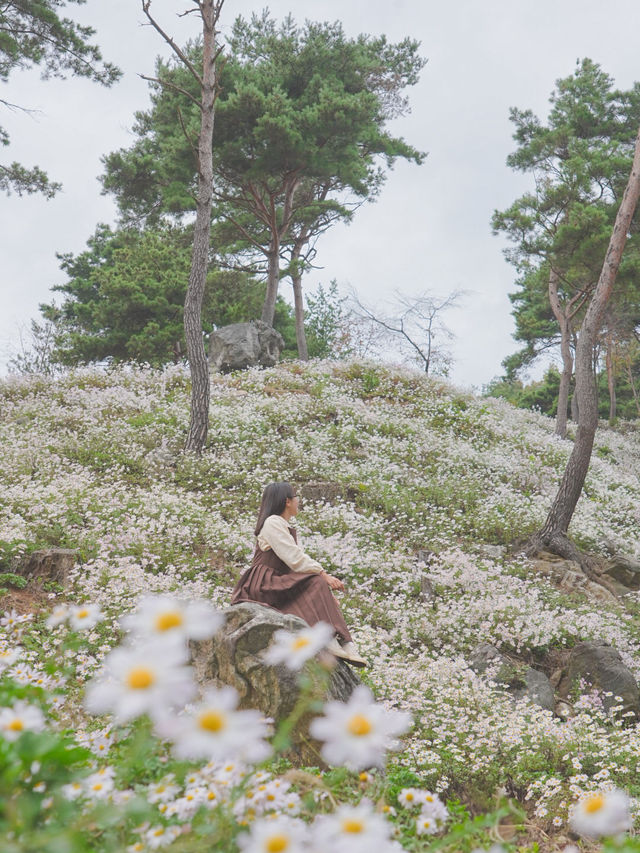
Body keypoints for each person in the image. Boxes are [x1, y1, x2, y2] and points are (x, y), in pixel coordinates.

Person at [230, 482, 366, 667]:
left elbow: (294, 564)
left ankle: (345, 642)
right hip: (264, 583)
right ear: (287, 501)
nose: (298, 502)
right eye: (296, 497)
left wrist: (325, 593)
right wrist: (324, 575)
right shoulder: (272, 522)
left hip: (277, 580)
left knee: (317, 585)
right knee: (317, 581)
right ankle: (332, 639)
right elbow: (294, 558)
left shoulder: (281, 524)